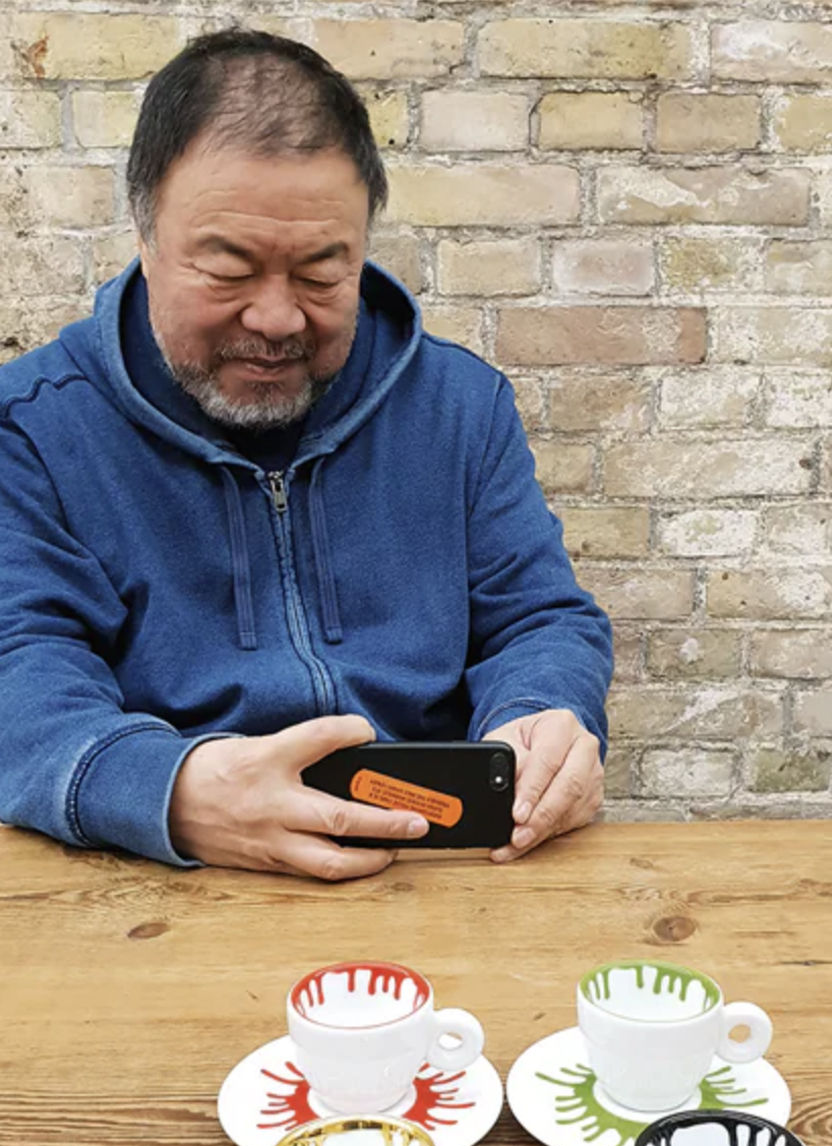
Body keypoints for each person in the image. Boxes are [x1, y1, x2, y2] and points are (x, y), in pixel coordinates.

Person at [0, 29, 613, 881]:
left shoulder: (460, 407)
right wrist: (166, 788)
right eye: (229, 269)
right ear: (143, 236)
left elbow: (539, 617)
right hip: (155, 874)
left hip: (439, 868)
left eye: (324, 274)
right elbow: (19, 667)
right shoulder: (30, 428)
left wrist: (543, 716)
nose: (279, 318)